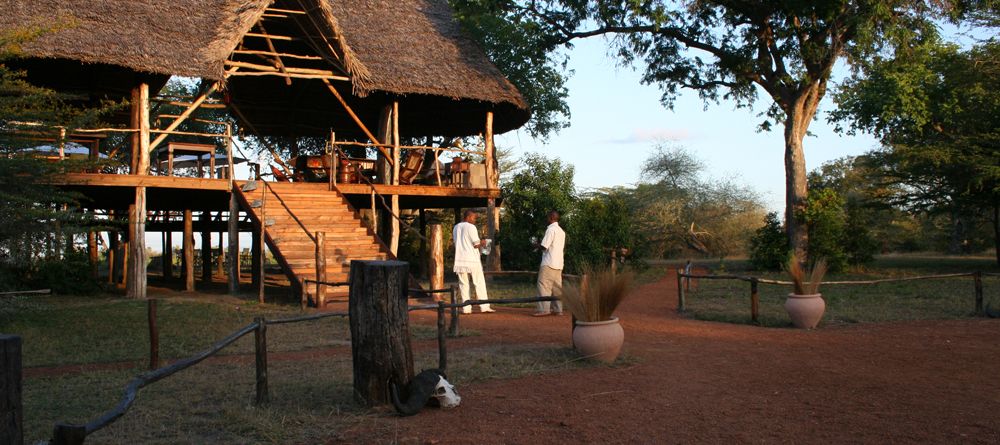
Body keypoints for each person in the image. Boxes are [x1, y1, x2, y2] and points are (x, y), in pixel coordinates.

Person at [453, 209, 494, 314]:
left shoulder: (456, 227)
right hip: (472, 260)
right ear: (469, 217)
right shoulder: (471, 227)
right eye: (474, 217)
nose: (475, 220)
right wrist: (483, 242)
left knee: (463, 284)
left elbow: (457, 243)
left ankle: (466, 308)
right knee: (479, 282)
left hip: (460, 260)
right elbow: (476, 244)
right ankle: (484, 306)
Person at [534, 210, 565, 316]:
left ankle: (543, 310)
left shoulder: (551, 230)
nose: (546, 219)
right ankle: (558, 310)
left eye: (547, 217)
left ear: (551, 218)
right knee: (557, 288)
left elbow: (544, 246)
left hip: (549, 262)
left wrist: (536, 245)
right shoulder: (561, 231)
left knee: (543, 285)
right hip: (559, 264)